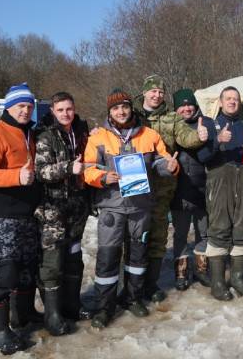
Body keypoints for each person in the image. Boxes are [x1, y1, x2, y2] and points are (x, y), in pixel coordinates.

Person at [84, 89, 179, 328]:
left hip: (140, 206)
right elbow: (87, 168)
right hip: (112, 207)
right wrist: (104, 177)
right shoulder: (98, 137)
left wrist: (170, 165)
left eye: (124, 107)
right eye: (116, 108)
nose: (121, 111)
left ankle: (133, 298)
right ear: (110, 112)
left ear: (130, 108)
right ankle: (105, 307)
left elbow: (160, 161)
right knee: (108, 257)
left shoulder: (149, 134)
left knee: (137, 256)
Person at [0, 83, 42, 355]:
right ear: (8, 107)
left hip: (26, 214)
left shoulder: (30, 133)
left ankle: (22, 316)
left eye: (29, 106)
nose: (25, 110)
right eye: (20, 106)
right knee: (5, 273)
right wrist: (16, 177)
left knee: (27, 269)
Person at [134, 74, 207, 303]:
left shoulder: (171, 117)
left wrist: (199, 135)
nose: (157, 95)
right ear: (145, 92)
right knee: (134, 239)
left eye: (161, 92)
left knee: (158, 237)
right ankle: (131, 288)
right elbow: (112, 128)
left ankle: (151, 285)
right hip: (135, 189)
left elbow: (186, 138)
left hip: (163, 188)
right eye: (153, 91)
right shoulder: (132, 115)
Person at [34, 92, 91, 336]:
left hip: (76, 209)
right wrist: (68, 167)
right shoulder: (46, 137)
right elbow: (41, 172)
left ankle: (72, 304)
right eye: (60, 110)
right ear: (53, 111)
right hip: (52, 210)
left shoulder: (80, 133)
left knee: (74, 258)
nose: (66, 113)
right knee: (52, 263)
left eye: (69, 108)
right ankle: (52, 314)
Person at [199, 86, 243, 300]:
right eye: (228, 98)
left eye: (235, 99)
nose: (232, 102)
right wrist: (217, 141)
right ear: (221, 102)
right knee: (220, 227)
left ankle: (238, 278)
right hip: (219, 179)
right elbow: (203, 156)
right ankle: (218, 282)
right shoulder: (208, 124)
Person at [170, 88, 212, 290]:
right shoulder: (171, 127)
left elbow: (213, 154)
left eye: (190, 104)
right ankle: (180, 272)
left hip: (202, 190)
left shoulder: (204, 124)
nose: (187, 108)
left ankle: (201, 270)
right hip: (178, 190)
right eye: (182, 105)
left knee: (203, 233)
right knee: (180, 234)